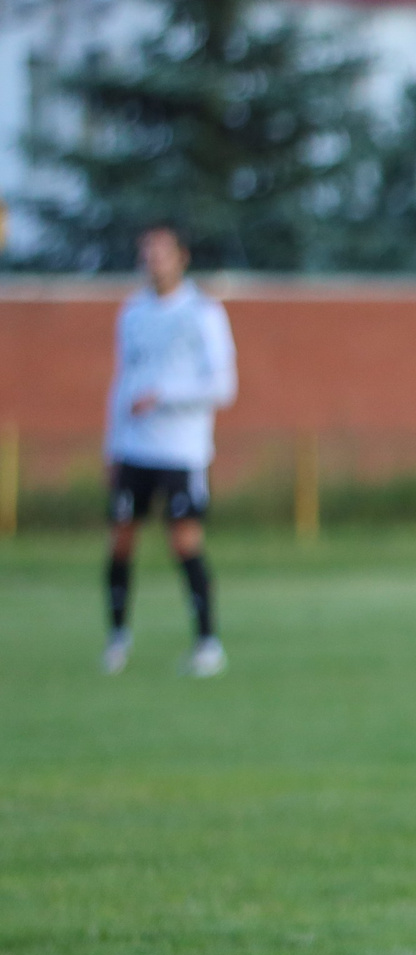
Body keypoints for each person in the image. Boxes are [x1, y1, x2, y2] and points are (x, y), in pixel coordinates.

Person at [102, 221, 237, 677]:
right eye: (147, 253)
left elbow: (223, 385)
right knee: (120, 539)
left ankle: (207, 641)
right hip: (133, 449)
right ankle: (117, 639)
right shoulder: (132, 313)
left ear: (182, 257)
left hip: (181, 451)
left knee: (184, 541)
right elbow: (122, 382)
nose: (153, 261)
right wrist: (111, 444)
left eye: (162, 252)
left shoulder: (202, 312)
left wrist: (163, 395)